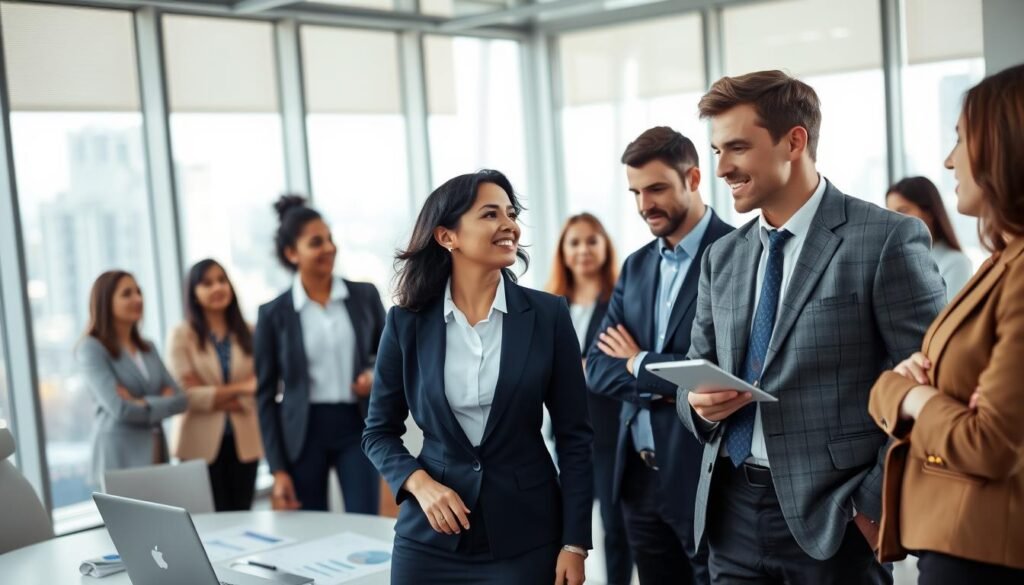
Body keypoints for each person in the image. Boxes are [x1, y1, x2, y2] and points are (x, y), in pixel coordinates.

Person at [675, 70, 946, 584]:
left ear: (793, 141)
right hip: (729, 515)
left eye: (737, 148)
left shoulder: (885, 239)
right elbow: (696, 379)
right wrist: (698, 407)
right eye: (716, 152)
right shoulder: (721, 258)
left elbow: (935, 382)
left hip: (834, 524)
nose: (723, 168)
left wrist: (869, 506)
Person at [361, 170, 593, 585]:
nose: (509, 225)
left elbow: (576, 438)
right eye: (490, 214)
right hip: (429, 541)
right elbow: (378, 431)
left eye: (511, 213)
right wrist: (420, 484)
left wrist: (574, 543)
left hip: (525, 538)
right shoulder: (405, 323)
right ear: (447, 236)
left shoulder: (548, 316)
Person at [868, 63, 1024, 584]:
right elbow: (888, 389)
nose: (948, 159)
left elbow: (990, 444)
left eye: (961, 140)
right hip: (957, 543)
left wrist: (916, 397)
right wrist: (914, 390)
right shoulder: (1001, 262)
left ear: (1004, 147)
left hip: (983, 553)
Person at [586, 126, 733, 585]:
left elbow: (719, 375)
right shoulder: (636, 264)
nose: (644, 204)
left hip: (703, 477)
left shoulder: (735, 253)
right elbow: (596, 368)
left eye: (656, 188)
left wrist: (638, 361)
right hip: (637, 478)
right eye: (635, 192)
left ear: (692, 179)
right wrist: (668, 382)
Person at [255, 195, 385, 513]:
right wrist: (278, 469)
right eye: (316, 242)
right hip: (303, 432)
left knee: (363, 520)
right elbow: (264, 396)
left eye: (329, 239)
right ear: (291, 253)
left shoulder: (364, 296)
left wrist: (372, 375)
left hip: (357, 425)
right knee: (311, 527)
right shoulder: (274, 314)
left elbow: (389, 356)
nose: (328, 248)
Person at [546, 212, 633, 585]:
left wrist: (587, 368)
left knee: (616, 527)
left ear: (605, 247)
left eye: (592, 240)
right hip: (563, 433)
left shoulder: (621, 301)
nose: (583, 249)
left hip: (610, 431)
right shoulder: (549, 304)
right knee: (562, 527)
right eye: (575, 242)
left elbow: (623, 364)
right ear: (563, 251)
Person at [166, 259, 263, 511]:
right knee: (208, 523)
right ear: (194, 294)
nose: (217, 287)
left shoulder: (250, 332)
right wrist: (241, 388)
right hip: (198, 444)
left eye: (222, 280)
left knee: (242, 516)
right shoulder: (182, 335)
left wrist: (211, 393)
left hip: (245, 441)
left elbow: (262, 385)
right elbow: (186, 395)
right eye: (207, 283)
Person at [78, 270, 187, 486]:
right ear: (105, 302)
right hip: (119, 456)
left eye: (138, 292)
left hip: (155, 450)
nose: (137, 299)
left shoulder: (148, 348)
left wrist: (142, 402)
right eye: (126, 294)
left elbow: (181, 400)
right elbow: (120, 408)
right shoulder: (91, 348)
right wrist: (160, 401)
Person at [886, 176, 973, 302]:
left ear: (930, 213)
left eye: (903, 211)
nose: (894, 220)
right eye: (889, 213)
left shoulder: (956, 263)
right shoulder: (894, 263)